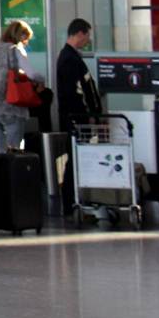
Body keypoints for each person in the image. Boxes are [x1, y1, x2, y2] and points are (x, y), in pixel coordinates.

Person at [56, 18, 103, 212]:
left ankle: (74, 200)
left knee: (76, 159)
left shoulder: (70, 57)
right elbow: (75, 92)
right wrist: (88, 114)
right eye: (87, 35)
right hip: (76, 119)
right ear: (80, 33)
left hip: (75, 117)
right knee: (75, 159)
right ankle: (70, 201)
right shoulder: (70, 59)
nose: (88, 40)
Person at [0, 21, 43, 151]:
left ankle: (2, 171)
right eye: (26, 38)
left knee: (1, 150)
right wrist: (42, 79)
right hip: (11, 107)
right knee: (14, 150)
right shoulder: (15, 50)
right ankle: (13, 171)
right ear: (21, 36)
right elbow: (31, 73)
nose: (26, 42)